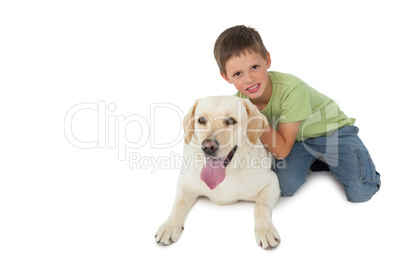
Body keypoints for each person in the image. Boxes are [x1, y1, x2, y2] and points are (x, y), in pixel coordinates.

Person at [213, 25, 380, 202]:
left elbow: (281, 150)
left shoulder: (292, 89)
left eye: (254, 67)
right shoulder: (235, 104)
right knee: (282, 187)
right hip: (297, 140)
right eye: (238, 73)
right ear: (226, 77)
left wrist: (253, 116)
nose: (249, 79)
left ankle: (351, 160)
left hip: (333, 132)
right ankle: (319, 160)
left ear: (267, 60)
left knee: (361, 192)